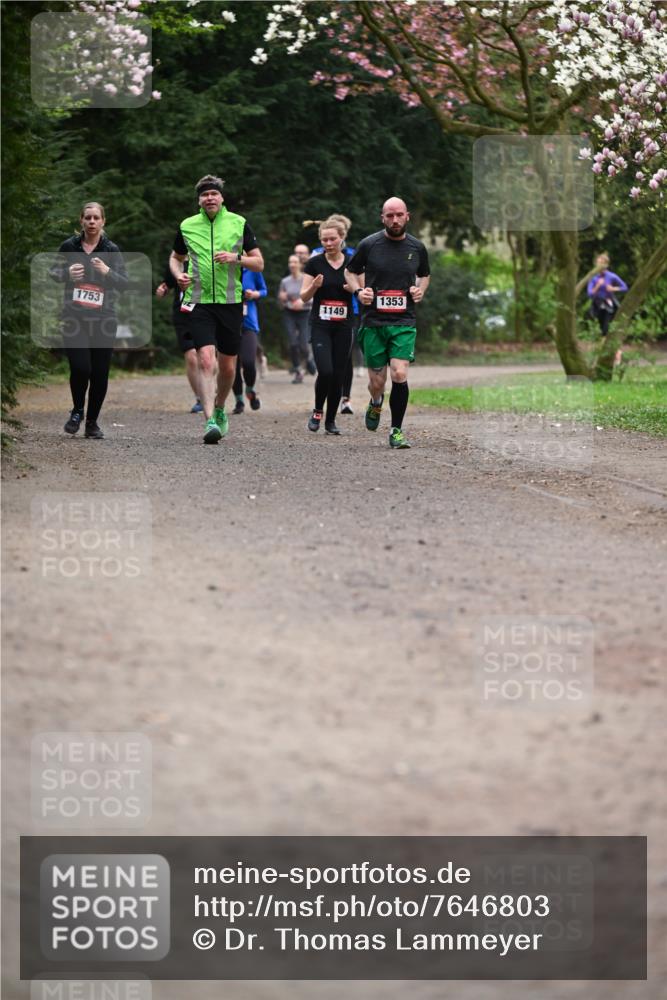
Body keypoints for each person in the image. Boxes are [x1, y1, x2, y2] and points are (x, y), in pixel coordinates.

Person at [170, 174, 264, 444]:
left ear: (221, 198)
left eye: (213, 194)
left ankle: (221, 407)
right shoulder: (187, 226)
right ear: (199, 200)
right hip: (199, 301)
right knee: (206, 360)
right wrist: (178, 275)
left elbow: (259, 263)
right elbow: (175, 258)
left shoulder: (238, 223)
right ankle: (209, 419)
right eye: (204, 195)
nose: (209, 198)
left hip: (231, 303)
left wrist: (236, 258)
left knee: (228, 368)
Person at [345, 197, 430, 449]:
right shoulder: (369, 244)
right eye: (390, 216)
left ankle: (396, 431)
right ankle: (375, 402)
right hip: (374, 322)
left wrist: (420, 290)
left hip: (404, 321)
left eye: (399, 215)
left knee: (400, 373)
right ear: (383, 218)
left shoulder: (417, 247)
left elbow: (424, 275)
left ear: (407, 216)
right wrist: (359, 292)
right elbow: (350, 272)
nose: (395, 220)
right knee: (377, 383)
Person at [50, 201, 128, 439]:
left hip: (103, 319)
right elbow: (53, 272)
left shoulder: (111, 250)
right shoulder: (69, 246)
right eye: (88, 218)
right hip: (74, 318)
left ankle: (92, 422)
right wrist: (66, 274)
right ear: (81, 221)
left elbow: (124, 283)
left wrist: (107, 272)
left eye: (96, 218)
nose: (92, 222)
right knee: (81, 367)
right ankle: (77, 411)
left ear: (103, 221)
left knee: (100, 373)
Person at [301, 217, 355, 435]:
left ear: (341, 238)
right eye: (324, 240)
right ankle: (317, 411)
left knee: (339, 374)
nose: (328, 243)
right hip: (320, 324)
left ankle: (330, 420)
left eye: (332, 239)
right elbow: (304, 297)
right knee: (326, 371)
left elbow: (363, 292)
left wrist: (352, 289)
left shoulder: (352, 263)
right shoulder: (314, 263)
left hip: (343, 326)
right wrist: (314, 286)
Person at [155, 262, 202, 413]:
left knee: (208, 357)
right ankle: (200, 398)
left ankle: (211, 390)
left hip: (205, 312)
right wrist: (162, 290)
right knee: (191, 356)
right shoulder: (176, 261)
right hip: (183, 314)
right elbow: (167, 285)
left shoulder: (207, 253)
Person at [232, 268, 267, 413]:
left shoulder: (253, 270)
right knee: (232, 365)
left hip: (249, 324)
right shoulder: (225, 268)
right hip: (228, 324)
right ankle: (239, 400)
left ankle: (250, 389)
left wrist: (254, 294)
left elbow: (264, 290)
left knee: (248, 362)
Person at [278, 254, 316, 383]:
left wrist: (302, 302)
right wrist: (283, 299)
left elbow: (313, 297)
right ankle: (298, 370)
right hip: (289, 313)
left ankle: (309, 359)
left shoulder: (306, 279)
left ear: (300, 264)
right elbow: (281, 300)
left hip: (304, 313)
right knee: (293, 343)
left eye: (295, 262)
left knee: (304, 345)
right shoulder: (285, 281)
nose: (292, 265)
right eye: (290, 262)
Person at [587, 252, 628, 347]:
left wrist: (614, 288)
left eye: (602, 263)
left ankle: (610, 349)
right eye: (598, 263)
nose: (599, 265)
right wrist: (597, 286)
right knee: (600, 328)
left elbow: (624, 287)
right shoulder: (593, 278)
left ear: (606, 265)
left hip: (608, 304)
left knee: (607, 327)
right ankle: (602, 348)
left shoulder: (611, 276)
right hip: (597, 304)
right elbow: (590, 293)